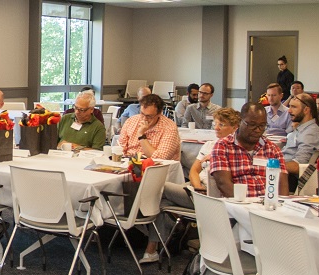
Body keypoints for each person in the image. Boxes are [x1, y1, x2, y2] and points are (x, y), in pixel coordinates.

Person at [143, 108, 242, 264]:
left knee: (158, 188)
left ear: (235, 127)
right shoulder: (209, 144)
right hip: (197, 189)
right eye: (215, 124)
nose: (216, 128)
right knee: (161, 203)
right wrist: (197, 187)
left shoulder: (237, 150)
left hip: (214, 195)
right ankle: (164, 238)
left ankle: (154, 246)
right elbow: (194, 171)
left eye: (221, 125)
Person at [210, 102, 286, 198]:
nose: (258, 130)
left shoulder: (272, 149)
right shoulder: (223, 147)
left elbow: (282, 187)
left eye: (262, 126)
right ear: (240, 122)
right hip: (239, 204)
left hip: (268, 204)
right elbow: (223, 185)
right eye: (252, 125)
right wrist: (245, 206)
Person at [282, 93, 319, 192]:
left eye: (294, 107)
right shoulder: (302, 129)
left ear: (306, 110)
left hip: (289, 179)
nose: (289, 110)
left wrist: (272, 164)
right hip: (283, 173)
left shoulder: (311, 133)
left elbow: (299, 166)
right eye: (289, 106)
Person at [119, 94, 180, 160]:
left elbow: (161, 158)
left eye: (149, 116)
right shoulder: (131, 121)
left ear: (159, 114)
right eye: (142, 114)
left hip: (157, 167)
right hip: (129, 162)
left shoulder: (169, 128)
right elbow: (120, 148)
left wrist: (141, 135)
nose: (144, 119)